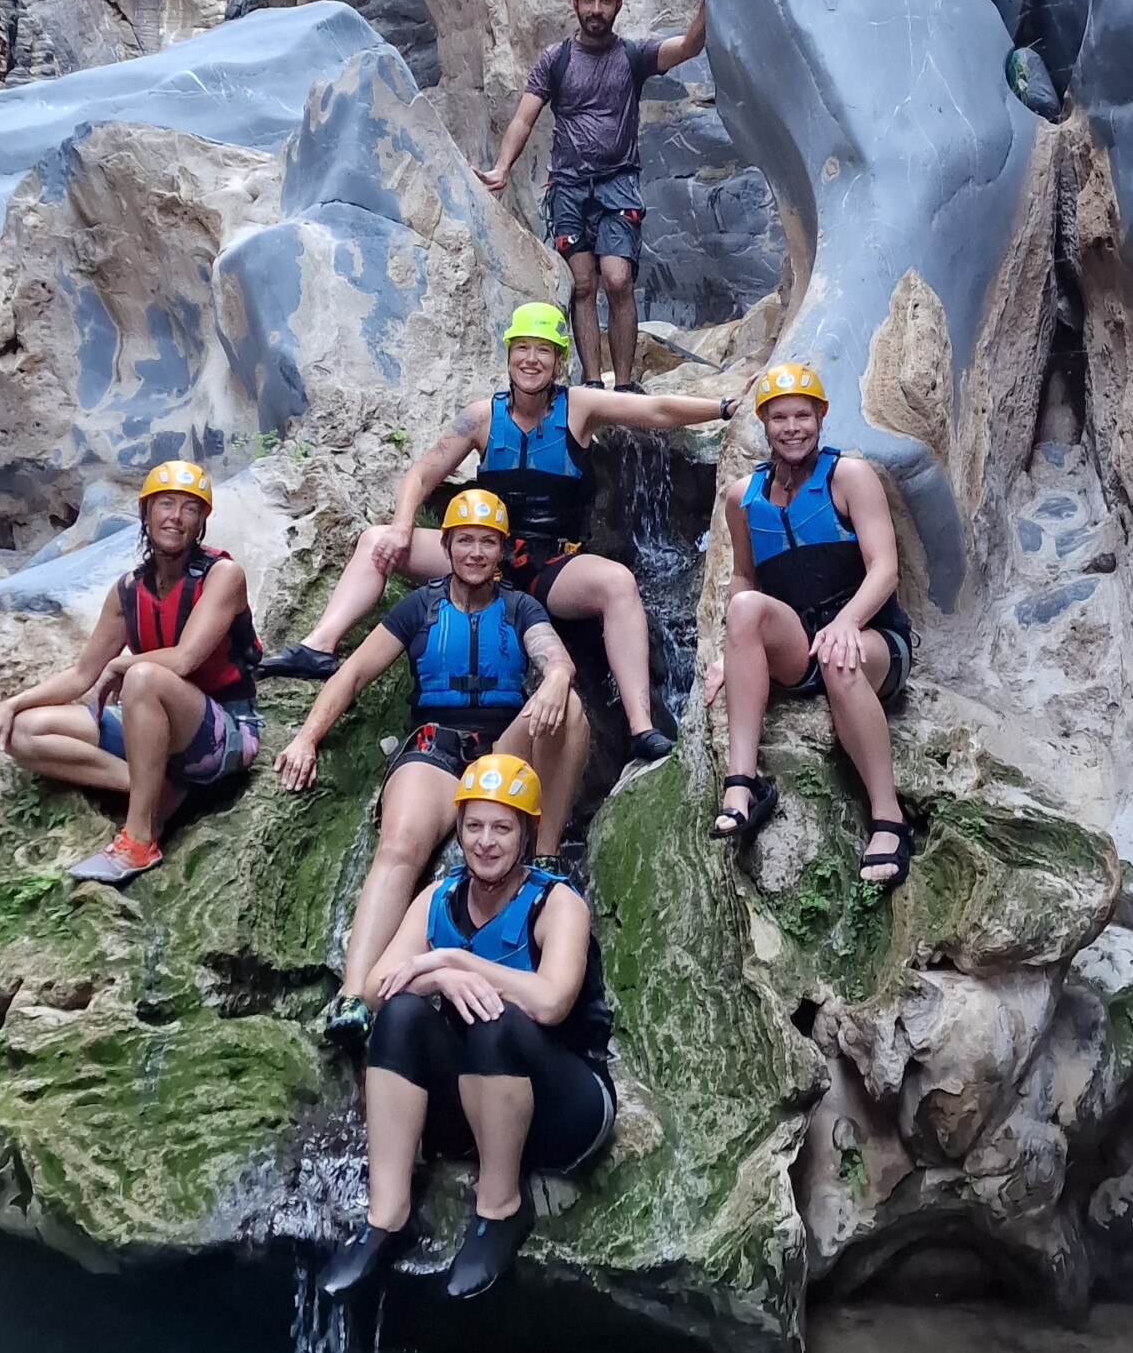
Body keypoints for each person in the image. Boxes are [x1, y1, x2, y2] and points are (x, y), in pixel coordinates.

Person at [260, 301, 739, 761]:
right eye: (522, 349)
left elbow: (656, 411)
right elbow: (421, 475)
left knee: (618, 583)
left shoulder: (578, 407)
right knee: (375, 540)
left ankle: (641, 729)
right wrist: (404, 527)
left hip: (552, 561)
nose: (531, 360)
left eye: (543, 350)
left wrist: (721, 407)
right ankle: (319, 646)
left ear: (558, 360)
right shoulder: (481, 417)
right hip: (482, 552)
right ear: (508, 355)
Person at [319, 753, 613, 1301]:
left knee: (496, 1019)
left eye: (502, 828)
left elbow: (550, 1003)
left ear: (526, 834)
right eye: (474, 826)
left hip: (564, 1108)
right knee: (403, 1013)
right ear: (457, 830)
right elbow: (381, 986)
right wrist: (434, 981)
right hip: (474, 1105)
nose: (485, 841)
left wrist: (455, 965)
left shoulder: (558, 903)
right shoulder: (438, 898)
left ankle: (500, 1207)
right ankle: (387, 1216)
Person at [274, 486, 585, 1000]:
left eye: (488, 543)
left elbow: (552, 655)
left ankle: (545, 861)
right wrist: (307, 737)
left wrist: (556, 675)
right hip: (435, 751)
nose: (476, 553)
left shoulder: (520, 606)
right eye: (465, 541)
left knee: (567, 705)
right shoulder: (419, 607)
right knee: (398, 846)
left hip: (499, 755)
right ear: (446, 546)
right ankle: (354, 996)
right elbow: (352, 675)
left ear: (504, 551)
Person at [0, 460, 262, 884]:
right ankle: (152, 787)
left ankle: (139, 840)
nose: (175, 517)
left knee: (143, 678)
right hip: (152, 728)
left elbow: (185, 660)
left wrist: (127, 663)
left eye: (190, 508)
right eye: (165, 504)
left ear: (202, 521)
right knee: (23, 732)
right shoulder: (128, 590)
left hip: (222, 735)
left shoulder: (223, 576)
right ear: (146, 513)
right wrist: (11, 703)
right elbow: (82, 674)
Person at [699, 363, 917, 890]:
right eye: (779, 417)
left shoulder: (850, 477)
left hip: (869, 638)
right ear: (764, 424)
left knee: (841, 659)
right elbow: (745, 577)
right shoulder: (742, 497)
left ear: (820, 416)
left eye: (802, 415)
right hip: (800, 642)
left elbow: (885, 567)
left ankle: (888, 820)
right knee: (746, 609)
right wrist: (733, 653)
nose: (792, 427)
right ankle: (742, 786)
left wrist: (847, 622)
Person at [480, 0, 708, 390]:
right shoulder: (556, 59)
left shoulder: (633, 56)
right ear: (576, 4)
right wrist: (502, 167)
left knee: (618, 279)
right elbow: (524, 118)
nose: (597, 9)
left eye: (605, 0)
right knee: (583, 285)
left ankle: (623, 385)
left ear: (617, 5)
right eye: (589, 0)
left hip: (618, 183)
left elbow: (688, 47)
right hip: (567, 188)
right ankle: (591, 384)